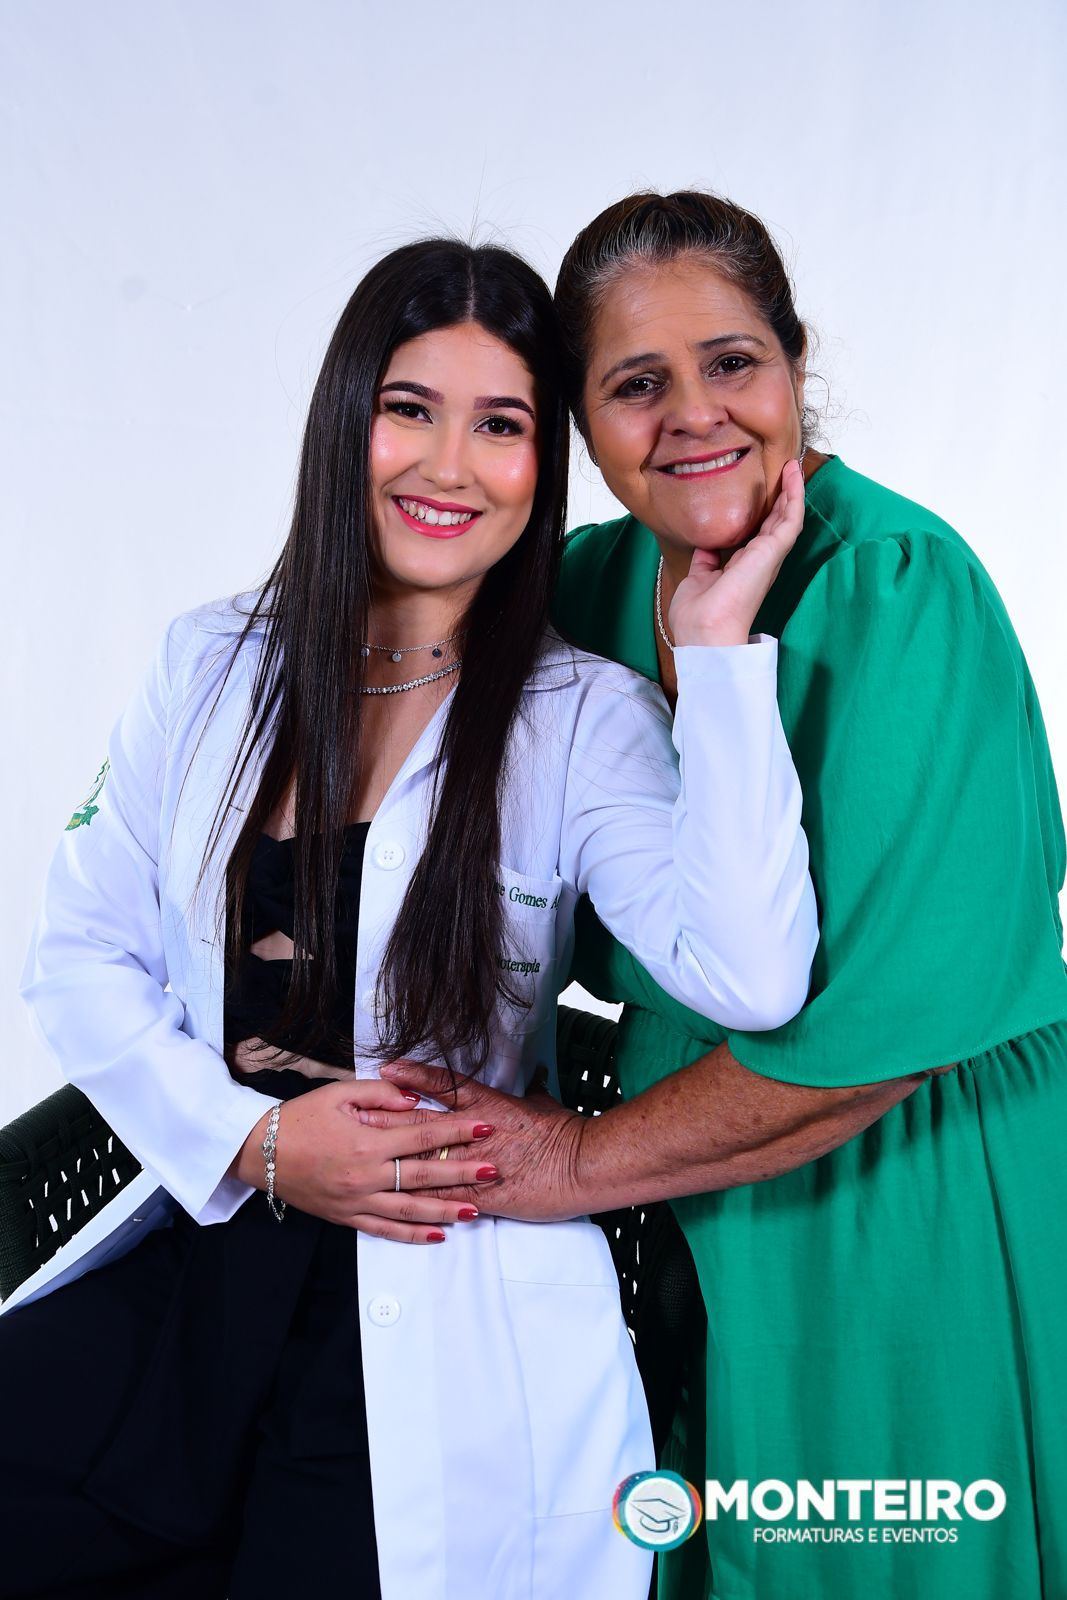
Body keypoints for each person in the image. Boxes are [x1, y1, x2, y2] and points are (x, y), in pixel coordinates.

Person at [1, 236, 818, 1599]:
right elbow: (80, 953)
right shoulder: (208, 663)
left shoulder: (581, 719)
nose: (449, 467)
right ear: (346, 423)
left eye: (500, 425)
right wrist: (257, 1143)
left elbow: (752, 977)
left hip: (425, 1298)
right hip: (203, 1267)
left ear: (541, 466)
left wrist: (722, 653)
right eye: (410, 409)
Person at [378, 194, 1067, 1600]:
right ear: (580, 426)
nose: (695, 416)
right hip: (683, 1184)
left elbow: (873, 1045)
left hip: (900, 1182)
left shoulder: (899, 587)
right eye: (637, 384)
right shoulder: (582, 586)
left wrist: (572, 1164)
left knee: (878, 1555)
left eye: (733, 363)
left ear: (795, 366)